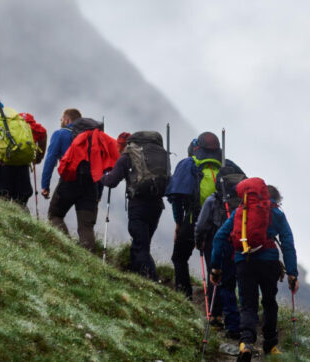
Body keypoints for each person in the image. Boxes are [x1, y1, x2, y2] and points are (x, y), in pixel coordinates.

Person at [210, 180, 299, 361]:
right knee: (269, 302)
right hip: (269, 263)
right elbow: (288, 243)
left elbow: (220, 237)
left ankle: (246, 343)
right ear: (274, 199)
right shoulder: (276, 214)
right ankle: (271, 346)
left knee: (248, 304)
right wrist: (292, 273)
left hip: (244, 262)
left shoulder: (240, 212)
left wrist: (216, 268)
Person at [165, 131, 243, 299]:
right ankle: (216, 307)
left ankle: (183, 294)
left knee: (179, 257)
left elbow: (177, 197)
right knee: (213, 265)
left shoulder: (188, 164)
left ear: (197, 147)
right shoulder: (228, 166)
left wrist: (179, 222)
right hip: (221, 224)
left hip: (193, 219)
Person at [101, 131, 168, 280]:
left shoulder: (127, 156)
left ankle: (149, 280)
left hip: (138, 206)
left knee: (140, 245)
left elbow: (112, 181)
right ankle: (137, 274)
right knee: (143, 244)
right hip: (157, 206)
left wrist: (102, 177)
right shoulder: (156, 156)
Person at [48, 118, 119, 250]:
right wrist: (98, 194)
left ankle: (66, 247)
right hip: (90, 187)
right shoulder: (100, 143)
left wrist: (46, 184)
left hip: (68, 183)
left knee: (55, 215)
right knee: (86, 227)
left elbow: (62, 163)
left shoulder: (72, 138)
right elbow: (101, 171)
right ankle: (87, 257)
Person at [195, 166, 246, 339]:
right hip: (240, 244)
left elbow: (201, 225)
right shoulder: (242, 202)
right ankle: (236, 322)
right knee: (232, 283)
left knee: (216, 278)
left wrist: (198, 241)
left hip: (217, 242)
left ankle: (216, 317)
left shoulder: (213, 200)